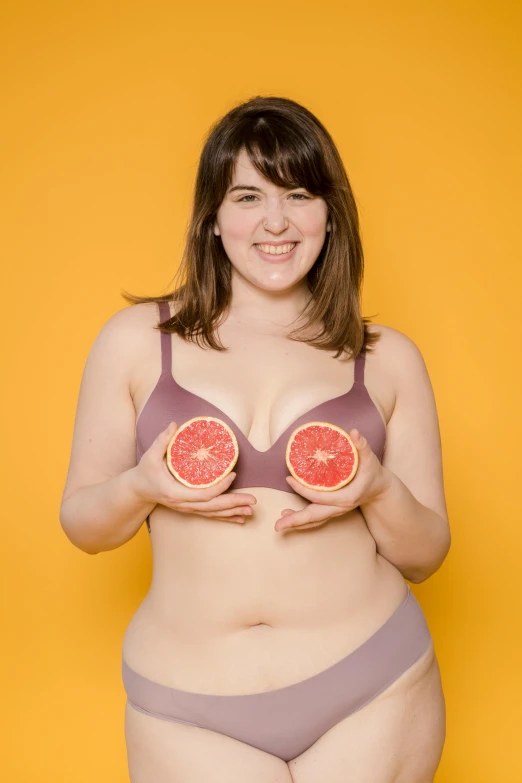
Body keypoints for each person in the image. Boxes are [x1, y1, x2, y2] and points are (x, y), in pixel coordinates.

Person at [60, 95, 451, 782]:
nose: (275, 221)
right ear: (213, 218)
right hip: (187, 705)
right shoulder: (136, 342)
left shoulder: (386, 358)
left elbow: (424, 554)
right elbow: (83, 524)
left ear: (330, 216)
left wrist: (379, 488)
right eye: (247, 196)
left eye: (298, 194)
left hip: (371, 684)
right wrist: (141, 486)